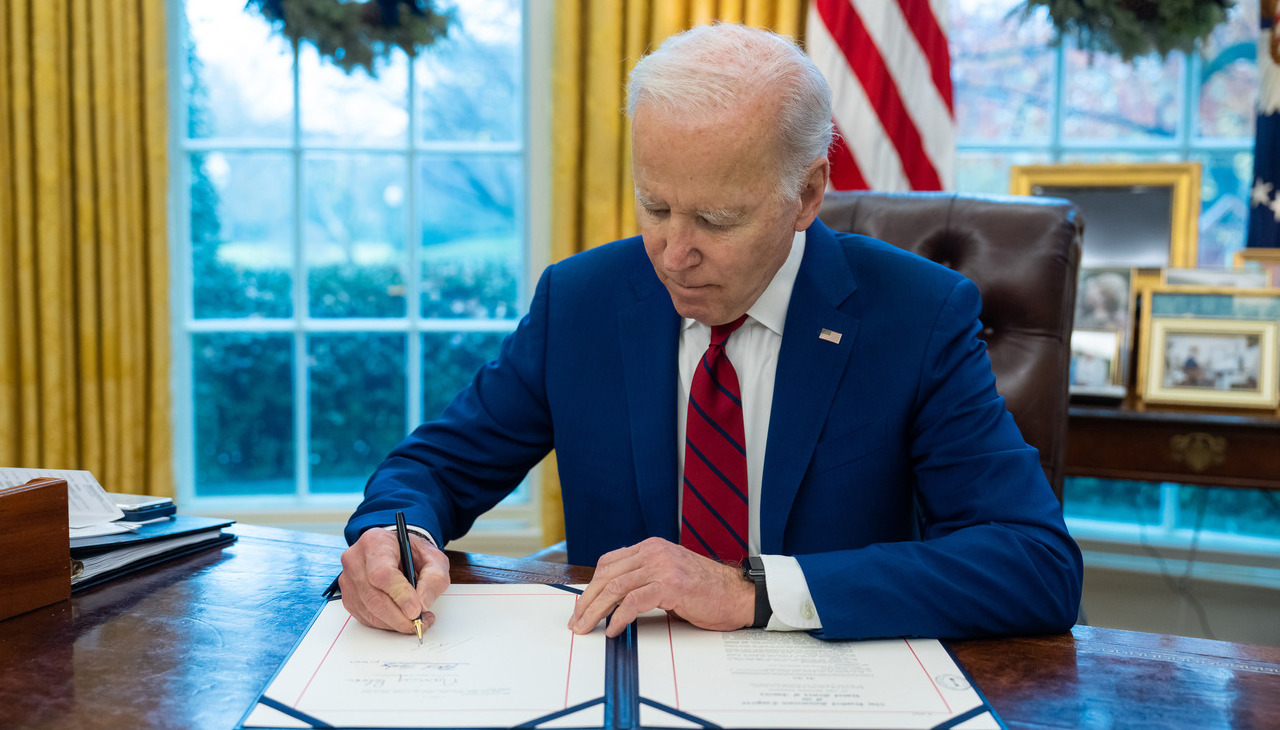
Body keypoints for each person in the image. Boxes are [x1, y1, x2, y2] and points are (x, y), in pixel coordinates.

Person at [338, 23, 1082, 642]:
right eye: (655, 207)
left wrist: (756, 590)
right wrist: (395, 539)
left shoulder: (916, 315)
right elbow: (430, 470)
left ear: (807, 195)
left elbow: (1034, 564)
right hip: (616, 686)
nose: (673, 252)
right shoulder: (584, 301)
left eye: (718, 220)